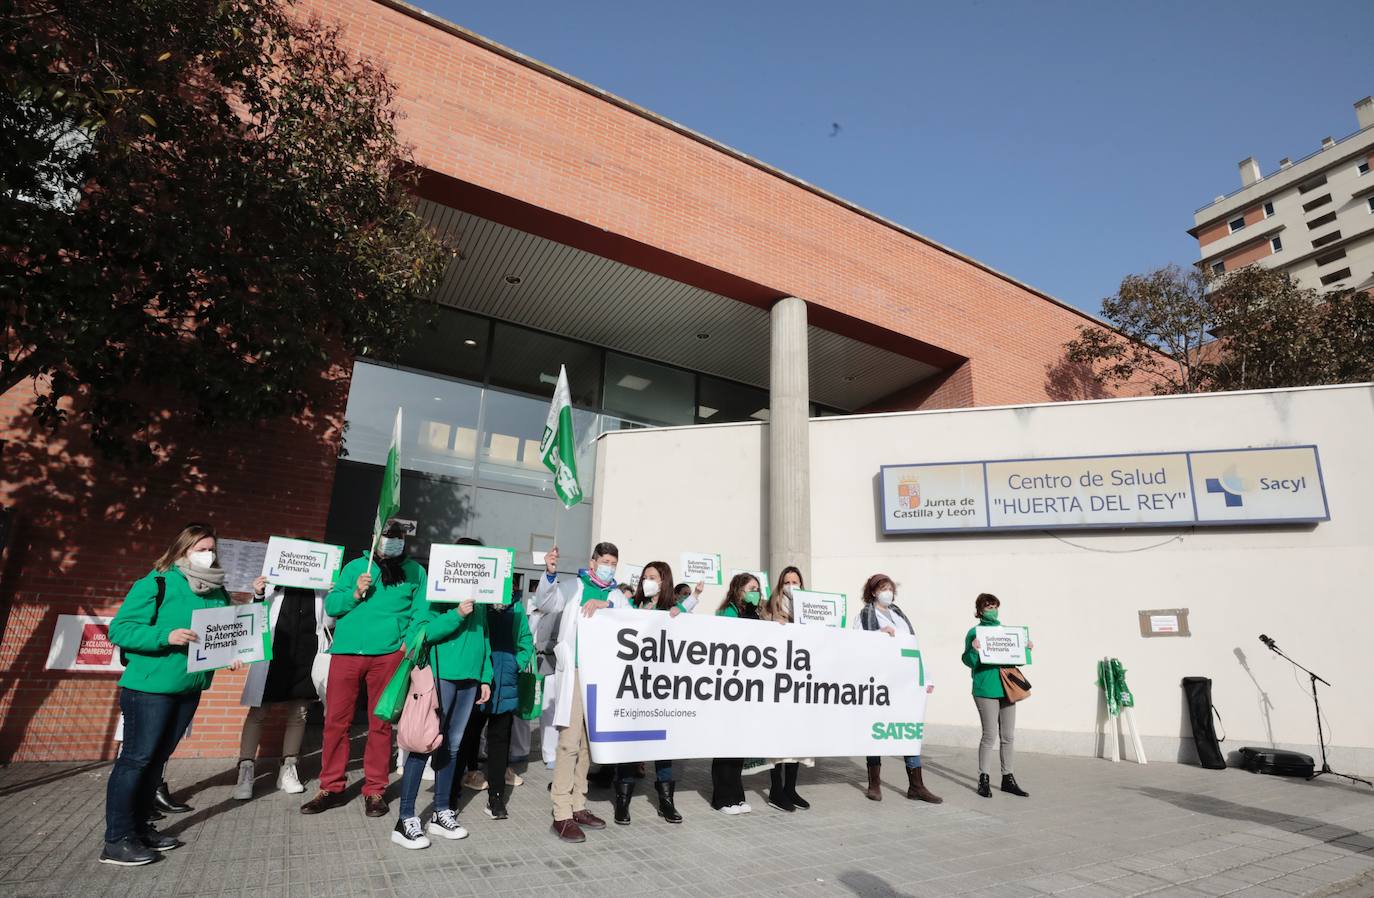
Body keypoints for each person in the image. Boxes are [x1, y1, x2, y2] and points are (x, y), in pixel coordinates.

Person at [102, 523, 238, 866]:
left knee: (157, 760)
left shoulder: (217, 591)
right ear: (182, 550)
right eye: (201, 549)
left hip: (188, 688)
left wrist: (231, 654)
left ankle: (140, 829)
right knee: (136, 760)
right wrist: (167, 636)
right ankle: (117, 839)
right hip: (149, 688)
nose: (209, 555)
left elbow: (220, 636)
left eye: (212, 549)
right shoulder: (157, 583)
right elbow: (120, 630)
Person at [301, 519, 420, 818]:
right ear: (374, 537)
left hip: (389, 655)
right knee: (336, 721)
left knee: (380, 723)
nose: (393, 539)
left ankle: (375, 789)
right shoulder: (355, 567)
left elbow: (420, 613)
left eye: (398, 536)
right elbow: (332, 607)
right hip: (347, 653)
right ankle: (331, 787)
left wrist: (405, 644)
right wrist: (354, 593)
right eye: (387, 535)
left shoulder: (415, 571)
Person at [391, 540, 493, 850]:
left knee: (452, 746)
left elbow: (484, 636)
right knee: (425, 743)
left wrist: (485, 676)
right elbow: (423, 633)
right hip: (441, 675)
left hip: (469, 678)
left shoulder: (482, 594)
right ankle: (405, 819)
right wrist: (457, 613)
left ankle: (440, 812)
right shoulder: (436, 588)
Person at [611, 561, 696, 825]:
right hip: (633, 686)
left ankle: (666, 801)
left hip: (662, 688)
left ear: (664, 581)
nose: (647, 581)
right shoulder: (633, 606)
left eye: (653, 577)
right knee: (629, 743)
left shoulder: (672, 610)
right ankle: (622, 801)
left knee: (662, 745)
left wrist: (687, 606)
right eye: (645, 577)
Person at [546, 542, 621, 842]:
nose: (609, 568)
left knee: (590, 744)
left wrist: (608, 606)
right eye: (605, 562)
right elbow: (548, 602)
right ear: (592, 563)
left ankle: (579, 804)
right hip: (576, 673)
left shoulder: (615, 594)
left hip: (601, 676)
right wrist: (550, 575)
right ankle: (561, 812)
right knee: (569, 743)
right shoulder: (573, 586)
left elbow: (631, 617)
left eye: (613, 563)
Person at [234, 575, 332, 799]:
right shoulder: (273, 583)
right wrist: (258, 593)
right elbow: (254, 616)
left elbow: (329, 622)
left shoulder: (320, 588)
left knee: (299, 713)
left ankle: (288, 768)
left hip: (306, 654)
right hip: (274, 654)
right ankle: (246, 769)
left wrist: (333, 594)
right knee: (258, 711)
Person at [853, 574, 942, 803]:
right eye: (883, 588)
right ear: (873, 591)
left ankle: (916, 785)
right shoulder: (864, 616)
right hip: (879, 682)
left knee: (908, 729)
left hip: (904, 682)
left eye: (890, 588)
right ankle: (874, 784)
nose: (888, 592)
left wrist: (925, 677)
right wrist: (878, 635)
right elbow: (856, 645)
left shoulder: (899, 616)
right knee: (877, 729)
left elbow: (913, 647)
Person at [456, 572, 533, 821]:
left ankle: (496, 798)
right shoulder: (479, 605)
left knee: (500, 741)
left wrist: (515, 663)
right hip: (477, 681)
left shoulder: (517, 609)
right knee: (468, 734)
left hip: (505, 684)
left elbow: (525, 640)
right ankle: (460, 785)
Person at [964, 592, 1031, 799]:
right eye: (988, 607)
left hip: (1007, 688)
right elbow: (967, 660)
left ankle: (1007, 778)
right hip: (985, 688)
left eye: (995, 607)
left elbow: (1017, 659)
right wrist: (974, 650)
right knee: (989, 735)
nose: (992, 610)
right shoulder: (974, 632)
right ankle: (983, 778)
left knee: (1008, 736)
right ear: (979, 610)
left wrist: (1026, 649)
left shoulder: (1007, 632)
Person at [757, 566, 813, 812]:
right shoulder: (768, 610)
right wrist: (774, 626)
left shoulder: (809, 611)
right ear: (780, 585)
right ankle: (776, 790)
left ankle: (791, 788)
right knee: (778, 738)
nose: (792, 586)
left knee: (796, 738)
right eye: (787, 582)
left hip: (800, 682)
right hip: (777, 683)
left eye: (796, 582)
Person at [710, 573, 763, 816]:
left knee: (739, 743)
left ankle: (737, 795)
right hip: (729, 687)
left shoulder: (755, 613)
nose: (755, 593)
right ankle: (722, 797)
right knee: (725, 744)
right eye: (751, 588)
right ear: (738, 589)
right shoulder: (727, 613)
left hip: (748, 688)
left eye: (757, 589)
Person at [529, 549, 565, 769]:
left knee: (551, 710)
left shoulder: (559, 612)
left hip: (553, 666)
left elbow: (559, 640)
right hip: (533, 666)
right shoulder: (531, 612)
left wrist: (542, 648)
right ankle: (522, 750)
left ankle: (552, 753)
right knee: (533, 710)